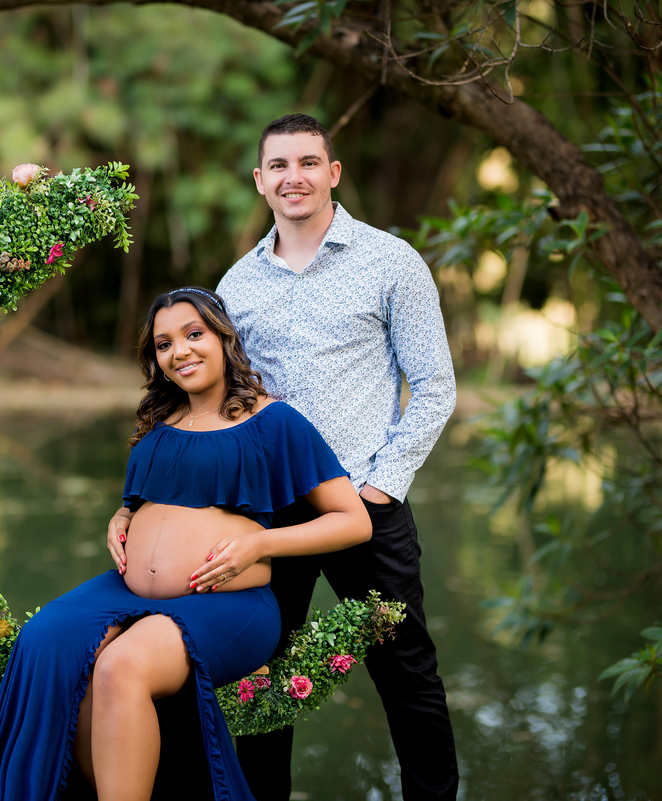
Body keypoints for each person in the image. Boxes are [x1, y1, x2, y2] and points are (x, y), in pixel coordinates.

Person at [108, 113, 459, 800]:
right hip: (260, 515)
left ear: (332, 172)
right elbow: (216, 398)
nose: (293, 176)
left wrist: (381, 486)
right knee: (262, 679)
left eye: (308, 162)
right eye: (279, 166)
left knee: (406, 670)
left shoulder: (391, 262)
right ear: (260, 181)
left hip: (362, 502)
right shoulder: (237, 284)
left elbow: (437, 386)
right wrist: (140, 501)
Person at [0, 287, 372, 801]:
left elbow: (353, 522)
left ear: (224, 338)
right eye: (163, 343)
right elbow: (154, 498)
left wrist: (259, 545)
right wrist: (124, 512)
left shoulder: (274, 422)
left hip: (227, 604)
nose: (180, 351)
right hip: (128, 591)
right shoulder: (158, 422)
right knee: (44, 641)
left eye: (194, 335)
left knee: (121, 666)